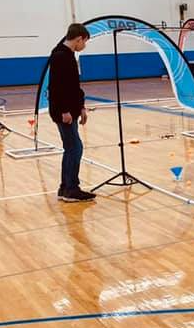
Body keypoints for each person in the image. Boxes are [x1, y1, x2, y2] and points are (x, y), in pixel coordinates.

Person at [49, 23, 96, 202]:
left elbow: (74, 87)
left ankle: (65, 187)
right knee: (75, 147)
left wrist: (81, 107)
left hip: (71, 110)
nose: (84, 46)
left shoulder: (68, 55)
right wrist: (65, 111)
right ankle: (71, 189)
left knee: (71, 148)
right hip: (64, 112)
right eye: (85, 42)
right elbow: (57, 88)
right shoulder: (60, 56)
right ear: (79, 39)